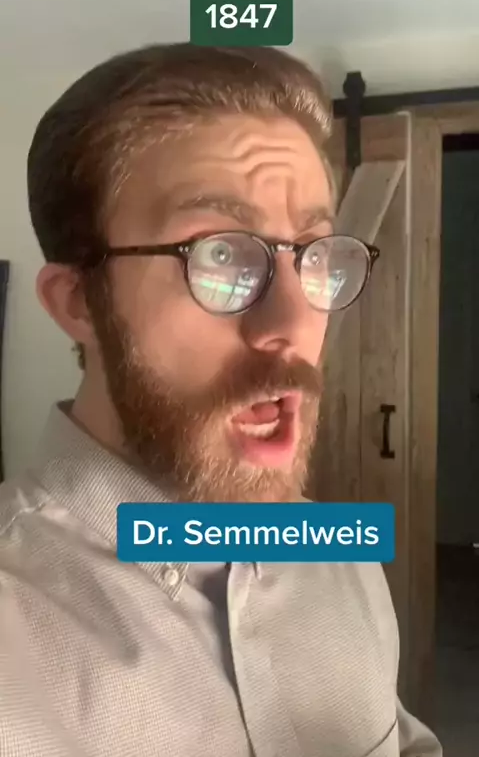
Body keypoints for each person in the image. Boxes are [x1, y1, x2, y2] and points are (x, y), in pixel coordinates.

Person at [0, 44, 441, 756]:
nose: (293, 325)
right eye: (220, 255)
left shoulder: (338, 556)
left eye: (315, 255)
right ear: (79, 300)